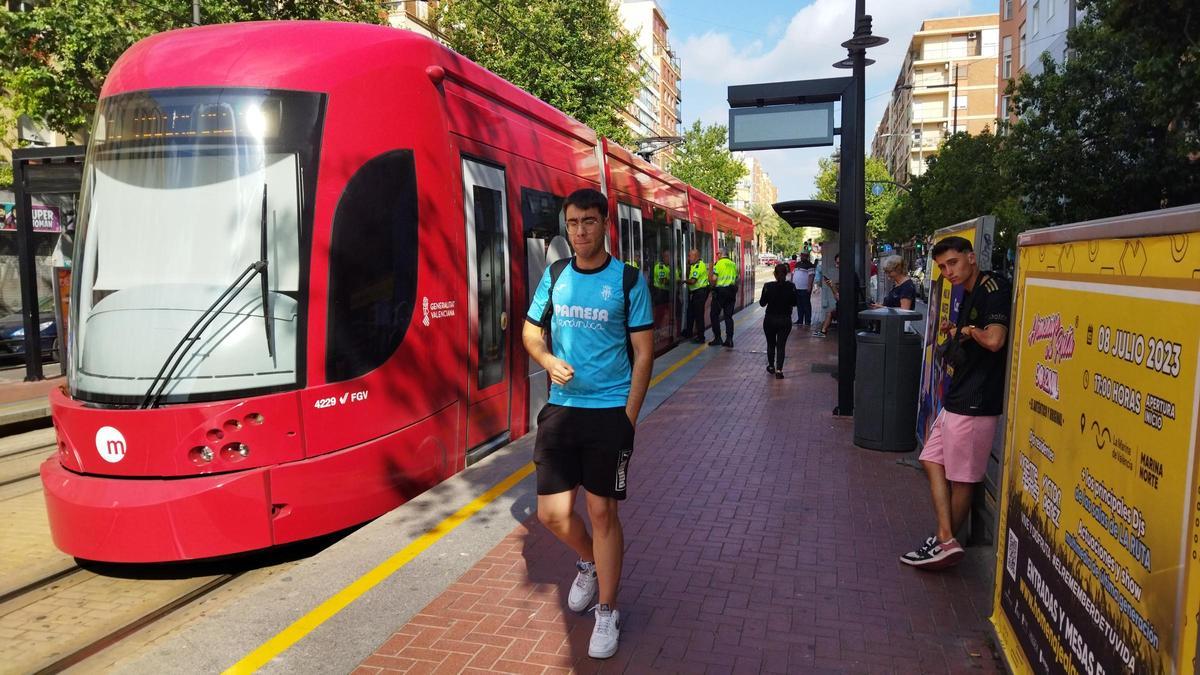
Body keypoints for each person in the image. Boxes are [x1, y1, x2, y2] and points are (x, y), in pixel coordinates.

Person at [523, 188, 655, 657]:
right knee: (551, 515)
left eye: (589, 222)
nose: (580, 231)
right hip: (561, 410)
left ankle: (607, 611)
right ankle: (588, 562)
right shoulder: (556, 276)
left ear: (605, 225)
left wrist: (629, 418)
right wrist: (545, 357)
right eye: (573, 223)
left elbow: (643, 354)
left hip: (608, 413)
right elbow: (529, 331)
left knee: (603, 513)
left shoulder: (628, 281)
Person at [900, 236, 1010, 570]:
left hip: (976, 400)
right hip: (960, 395)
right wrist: (959, 330)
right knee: (931, 459)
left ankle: (944, 543)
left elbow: (993, 339)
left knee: (962, 478)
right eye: (943, 267)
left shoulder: (994, 289)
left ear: (971, 258)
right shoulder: (970, 287)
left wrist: (970, 331)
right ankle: (946, 537)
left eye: (953, 263)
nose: (949, 271)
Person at [759, 263, 797, 379]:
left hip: (770, 320)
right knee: (781, 345)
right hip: (785, 320)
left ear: (774, 274)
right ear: (786, 274)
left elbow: (762, 303)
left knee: (771, 344)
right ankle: (779, 370)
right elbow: (795, 303)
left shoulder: (767, 286)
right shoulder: (791, 286)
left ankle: (771, 366)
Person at [708, 249, 737, 348]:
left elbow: (714, 279)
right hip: (731, 292)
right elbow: (736, 277)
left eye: (717, 254)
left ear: (721, 254)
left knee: (714, 315)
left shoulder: (719, 264)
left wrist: (711, 270)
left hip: (720, 293)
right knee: (728, 317)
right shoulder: (733, 264)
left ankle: (718, 338)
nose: (717, 255)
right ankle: (729, 340)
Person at [682, 248, 709, 343]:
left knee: (698, 315)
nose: (688, 258)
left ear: (696, 256)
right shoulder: (694, 265)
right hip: (696, 293)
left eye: (690, 256)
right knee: (691, 313)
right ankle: (689, 332)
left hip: (700, 293)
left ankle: (701, 337)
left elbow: (693, 281)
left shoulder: (698, 266)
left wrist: (683, 281)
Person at [791, 251, 815, 325]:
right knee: (799, 305)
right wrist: (792, 284)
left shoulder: (810, 265)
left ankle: (808, 321)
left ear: (807, 256)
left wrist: (809, 286)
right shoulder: (797, 264)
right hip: (797, 288)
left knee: (806, 305)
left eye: (805, 255)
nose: (803, 257)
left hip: (804, 288)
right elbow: (793, 274)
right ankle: (800, 320)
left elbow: (811, 276)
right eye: (802, 255)